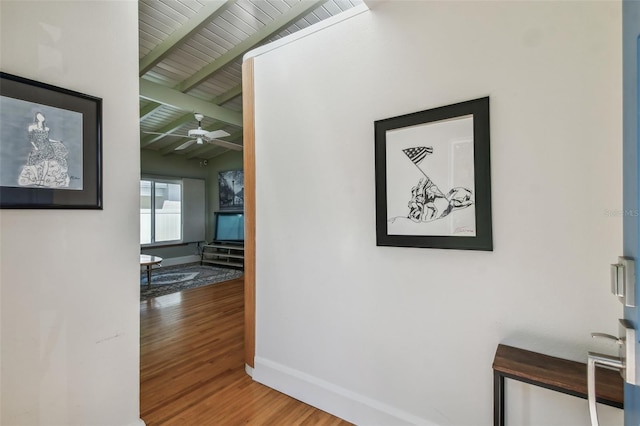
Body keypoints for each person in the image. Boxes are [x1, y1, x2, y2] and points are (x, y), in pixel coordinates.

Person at [18, 112, 70, 187]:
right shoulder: (32, 127)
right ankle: (36, 179)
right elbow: (31, 139)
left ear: (44, 118)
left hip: (46, 146)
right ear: (36, 117)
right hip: (38, 146)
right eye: (38, 116)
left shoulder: (46, 128)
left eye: (41, 116)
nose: (40, 117)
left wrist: (56, 142)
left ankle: (44, 180)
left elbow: (47, 139)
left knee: (52, 155)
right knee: (35, 160)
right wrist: (35, 147)